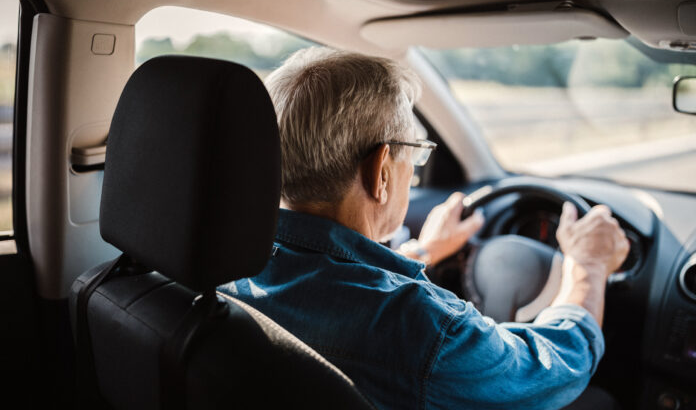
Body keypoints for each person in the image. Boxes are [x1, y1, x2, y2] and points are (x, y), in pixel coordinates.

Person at [218, 47, 629, 409]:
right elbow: (550, 371)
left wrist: (424, 251)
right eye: (413, 154)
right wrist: (587, 268)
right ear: (381, 172)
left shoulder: (221, 267)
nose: (413, 171)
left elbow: (326, 279)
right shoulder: (420, 329)